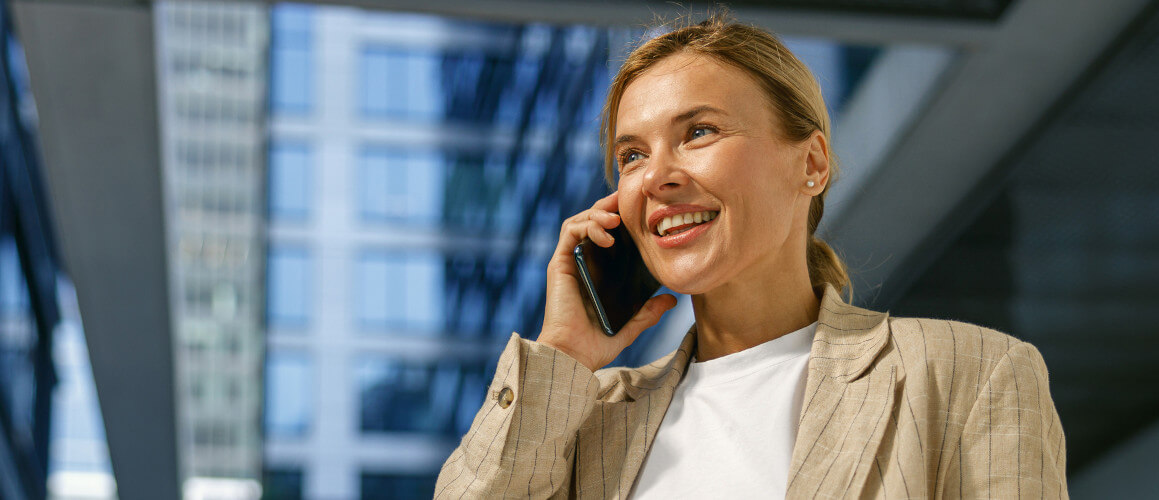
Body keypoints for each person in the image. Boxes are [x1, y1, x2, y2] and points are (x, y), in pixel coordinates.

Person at [436, 14, 1067, 499]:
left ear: (811, 164)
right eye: (631, 155)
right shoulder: (587, 419)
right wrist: (564, 357)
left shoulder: (972, 373)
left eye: (699, 132)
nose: (657, 176)